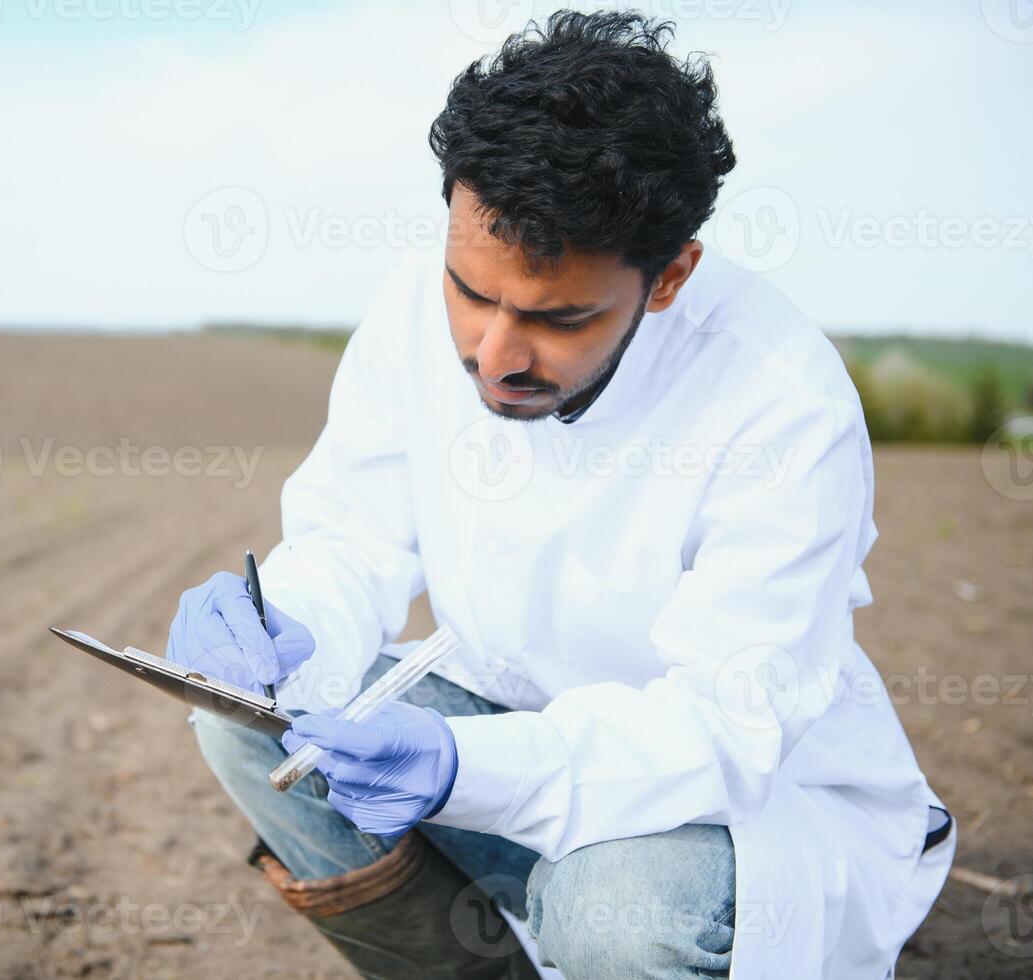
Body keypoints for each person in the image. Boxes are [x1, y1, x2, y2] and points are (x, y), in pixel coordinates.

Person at [165, 11, 953, 979]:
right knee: (243, 726)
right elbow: (348, 541)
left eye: (559, 317)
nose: (493, 356)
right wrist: (280, 622)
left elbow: (722, 728)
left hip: (731, 797)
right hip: (509, 716)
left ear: (668, 276)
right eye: (469, 291)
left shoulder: (784, 404)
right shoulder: (411, 302)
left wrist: (461, 769)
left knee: (611, 914)